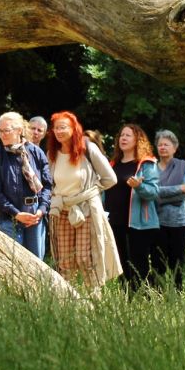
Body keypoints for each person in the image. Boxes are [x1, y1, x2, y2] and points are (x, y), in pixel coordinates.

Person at [46, 111, 121, 287]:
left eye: (63, 127)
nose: (59, 131)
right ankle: (66, 299)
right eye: (56, 128)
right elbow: (48, 182)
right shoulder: (53, 153)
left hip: (86, 208)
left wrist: (91, 192)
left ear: (74, 128)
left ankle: (94, 299)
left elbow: (111, 179)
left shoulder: (87, 149)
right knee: (64, 260)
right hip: (62, 209)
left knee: (85, 257)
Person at [104, 123, 159, 289]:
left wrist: (139, 186)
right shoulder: (112, 164)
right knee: (120, 262)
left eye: (128, 135)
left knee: (139, 262)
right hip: (114, 221)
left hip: (138, 224)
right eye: (121, 135)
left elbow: (154, 192)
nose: (123, 138)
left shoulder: (146, 164)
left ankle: (144, 298)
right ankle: (125, 297)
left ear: (138, 139)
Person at [0, 111, 53, 257]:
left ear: (19, 130)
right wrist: (17, 214)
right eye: (0, 131)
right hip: (9, 218)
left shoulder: (36, 153)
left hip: (35, 216)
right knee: (12, 266)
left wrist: (41, 210)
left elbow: (48, 185)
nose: (2, 134)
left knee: (36, 266)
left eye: (6, 130)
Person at [152, 130, 185, 289]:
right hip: (156, 221)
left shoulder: (184, 166)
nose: (162, 147)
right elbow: (150, 193)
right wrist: (177, 189)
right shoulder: (151, 168)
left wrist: (159, 193)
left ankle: (178, 294)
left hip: (179, 222)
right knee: (157, 262)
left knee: (177, 263)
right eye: (160, 144)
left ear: (175, 147)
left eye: (166, 144)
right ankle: (158, 296)